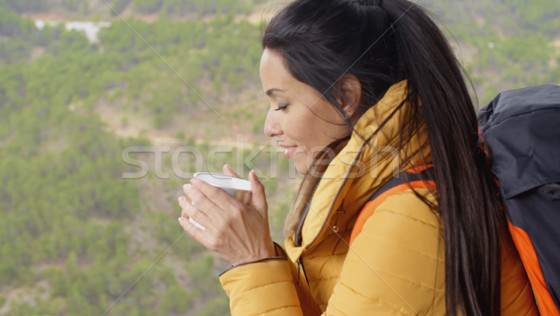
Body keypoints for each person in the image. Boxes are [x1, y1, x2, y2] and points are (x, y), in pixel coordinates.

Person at [178, 0, 538, 314]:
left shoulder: (412, 215)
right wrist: (264, 255)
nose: (269, 125)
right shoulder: (370, 186)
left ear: (345, 96)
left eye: (282, 104)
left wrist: (251, 259)